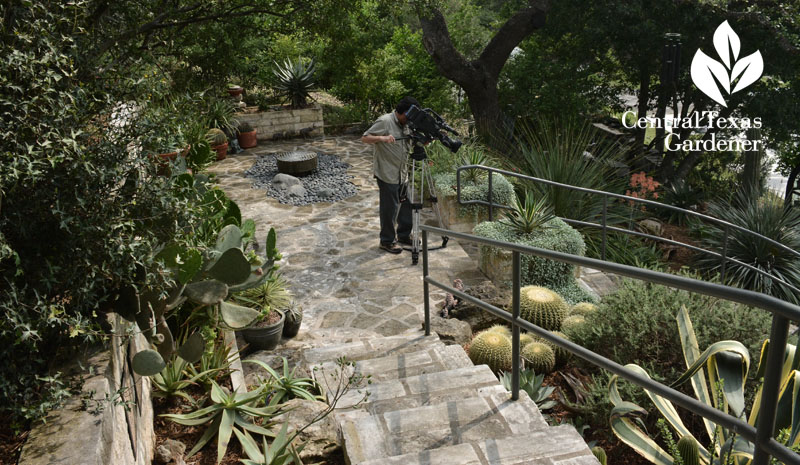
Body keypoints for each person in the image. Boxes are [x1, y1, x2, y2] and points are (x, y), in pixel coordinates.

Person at [361, 96, 419, 254]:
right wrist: (382, 138)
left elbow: (409, 142)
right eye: (408, 115)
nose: (409, 119)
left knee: (406, 205)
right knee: (390, 208)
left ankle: (404, 235)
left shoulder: (406, 123)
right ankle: (386, 241)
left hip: (402, 172)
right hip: (387, 173)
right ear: (402, 112)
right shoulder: (385, 121)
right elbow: (365, 138)